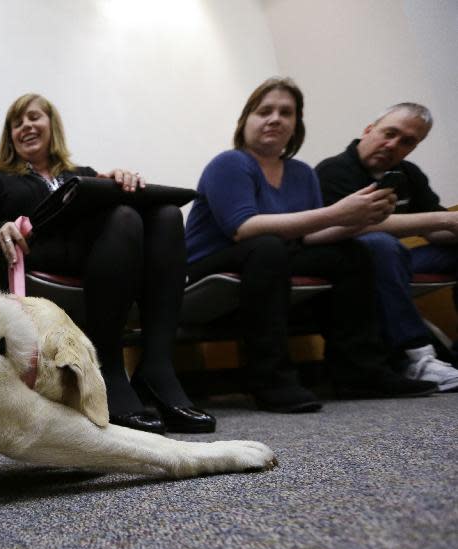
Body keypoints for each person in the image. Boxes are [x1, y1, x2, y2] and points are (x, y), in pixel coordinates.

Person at [184, 77, 437, 413]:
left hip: (273, 254)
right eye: (264, 111)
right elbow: (243, 228)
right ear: (246, 121)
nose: (275, 118)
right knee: (267, 246)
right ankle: (269, 378)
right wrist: (335, 212)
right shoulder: (230, 163)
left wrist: (359, 219)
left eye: (286, 113)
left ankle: (360, 371)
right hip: (213, 261)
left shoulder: (302, 173)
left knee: (356, 251)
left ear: (295, 126)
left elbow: (311, 238)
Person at [0, 93, 215, 434]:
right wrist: (1, 227)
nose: (26, 126)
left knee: (167, 215)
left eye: (34, 117)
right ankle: (110, 370)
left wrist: (120, 181)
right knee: (126, 217)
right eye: (17, 122)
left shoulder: (82, 174)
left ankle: (157, 366)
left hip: (103, 262)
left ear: (51, 125)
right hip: (43, 258)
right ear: (10, 135)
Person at [315, 103, 458, 391]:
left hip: (394, 260)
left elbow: (435, 231)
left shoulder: (408, 174)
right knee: (380, 244)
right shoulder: (334, 170)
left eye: (407, 142)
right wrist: (443, 218)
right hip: (354, 263)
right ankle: (418, 357)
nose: (393, 145)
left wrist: (451, 227)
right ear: (369, 130)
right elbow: (359, 226)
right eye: (389, 133)